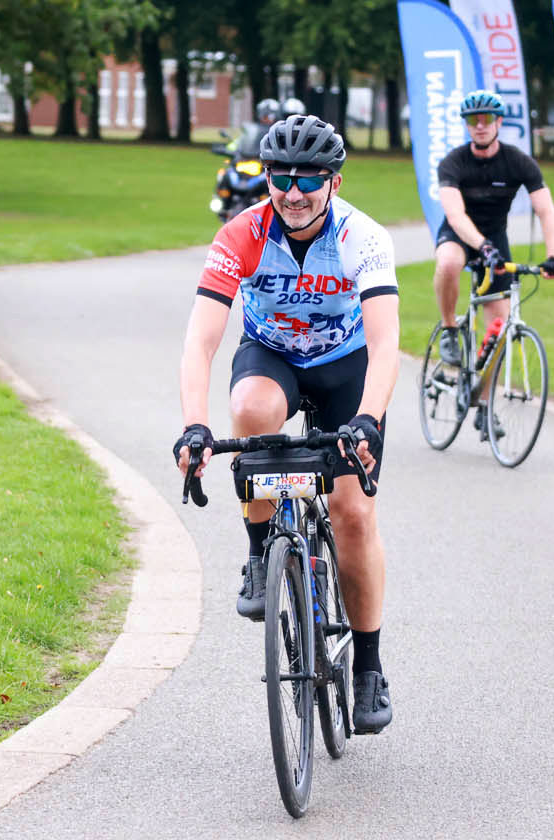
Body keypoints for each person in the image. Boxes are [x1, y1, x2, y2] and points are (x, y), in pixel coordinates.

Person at [173, 115, 399, 735]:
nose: (293, 192)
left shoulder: (363, 237)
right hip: (273, 356)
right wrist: (195, 427)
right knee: (248, 411)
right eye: (279, 178)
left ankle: (368, 667)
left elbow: (386, 344)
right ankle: (258, 552)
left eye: (309, 178)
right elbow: (201, 340)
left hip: (344, 364)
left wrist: (368, 422)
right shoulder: (242, 233)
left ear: (334, 180)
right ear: (265, 177)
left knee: (352, 514)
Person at [431, 90, 554, 440]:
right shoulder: (453, 162)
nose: (479, 126)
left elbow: (546, 210)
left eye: (486, 119)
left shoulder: (518, 161)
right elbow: (455, 215)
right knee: (447, 262)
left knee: (501, 325)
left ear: (498, 122)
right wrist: (481, 246)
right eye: (472, 120)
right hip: (462, 236)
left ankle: (485, 405)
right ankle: (449, 330)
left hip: (496, 240)